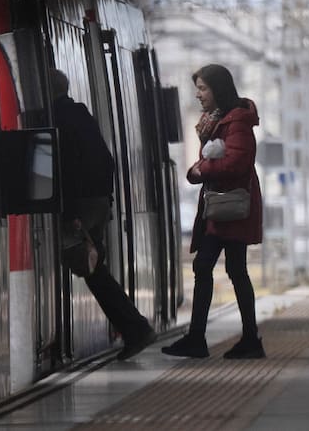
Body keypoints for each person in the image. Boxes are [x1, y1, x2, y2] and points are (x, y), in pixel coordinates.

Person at [50, 69, 155, 361]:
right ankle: (135, 328)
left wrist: (71, 212)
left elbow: (65, 169)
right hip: (96, 202)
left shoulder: (58, 118)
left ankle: (136, 328)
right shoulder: (81, 115)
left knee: (91, 269)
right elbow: (106, 160)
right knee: (95, 269)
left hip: (80, 206)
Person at [163, 64, 265, 359]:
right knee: (224, 268)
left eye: (203, 88)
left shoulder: (237, 123)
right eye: (197, 89)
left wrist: (200, 169)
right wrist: (202, 168)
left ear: (218, 89)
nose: (198, 95)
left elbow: (237, 163)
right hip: (221, 206)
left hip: (231, 207)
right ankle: (244, 338)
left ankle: (208, 339)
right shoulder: (218, 121)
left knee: (212, 266)